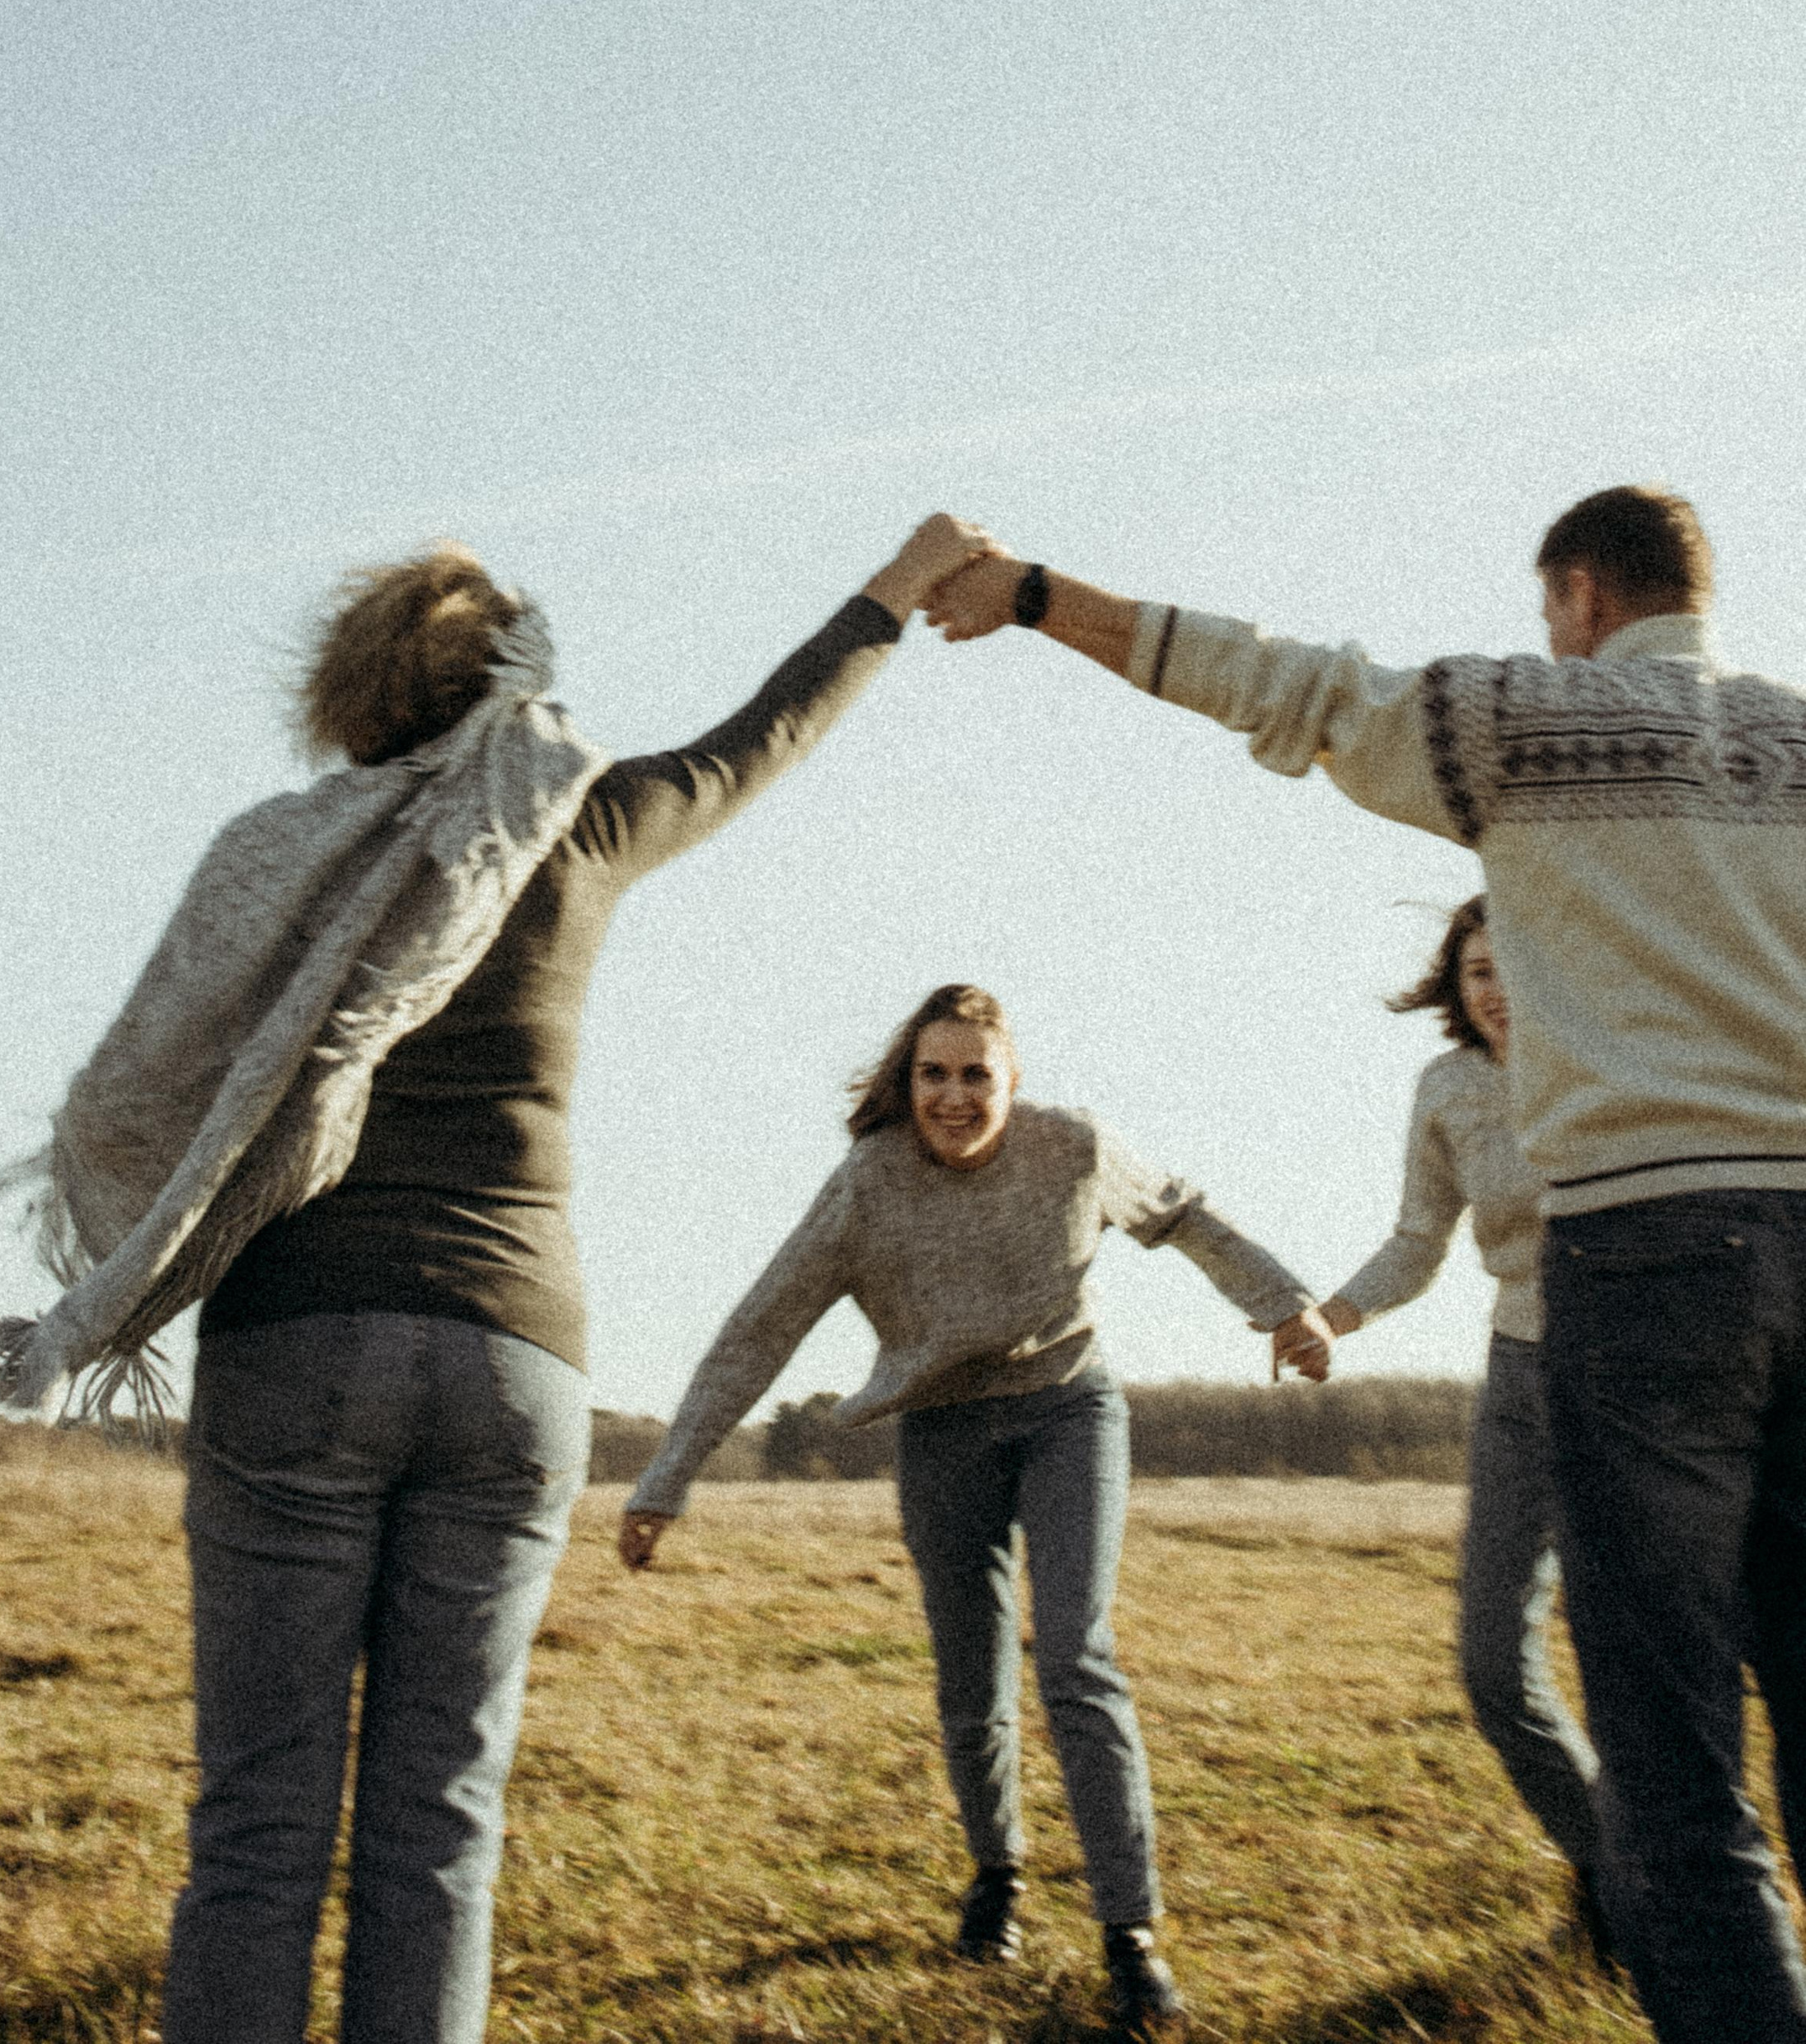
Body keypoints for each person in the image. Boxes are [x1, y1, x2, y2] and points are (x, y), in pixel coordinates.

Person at [0, 513, 980, 2044]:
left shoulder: (275, 856)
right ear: (514, 677)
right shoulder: (584, 824)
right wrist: (891, 595)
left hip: (297, 1345)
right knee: (441, 1831)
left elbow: (135, 1088)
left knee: (258, 1826)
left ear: (353, 698)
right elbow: (758, 741)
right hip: (514, 1367)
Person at [924, 487, 1806, 2044]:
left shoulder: (1533, 719)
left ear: (1582, 595)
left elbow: (1289, 686)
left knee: (1673, 1762)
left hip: (1648, 1255)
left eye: (1554, 612)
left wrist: (1039, 593)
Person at [617, 978, 1335, 2037]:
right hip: (942, 1430)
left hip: (1065, 1408)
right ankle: (997, 1873)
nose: (954, 1097)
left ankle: (1130, 1935)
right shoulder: (869, 1183)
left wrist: (1282, 1304)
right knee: (970, 1670)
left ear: (1013, 1082)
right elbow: (760, 1327)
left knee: (1074, 1658)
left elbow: (1183, 1214)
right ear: (907, 1083)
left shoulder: (1074, 1147)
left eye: (975, 1076)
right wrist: (666, 1475)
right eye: (933, 1075)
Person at [1320, 894, 1603, 1934]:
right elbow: (1416, 1239)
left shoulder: (1613, 1051)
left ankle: (1655, 1902)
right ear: (1456, 983)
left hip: (1634, 1374)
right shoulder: (1444, 1088)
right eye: (1476, 970)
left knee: (1636, 1659)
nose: (1496, 990)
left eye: (1513, 966)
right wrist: (1333, 1314)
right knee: (1492, 1666)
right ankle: (1612, 1867)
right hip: (1521, 1373)